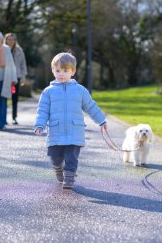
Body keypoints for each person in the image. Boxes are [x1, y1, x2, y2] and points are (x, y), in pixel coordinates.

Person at [34, 52, 108, 189]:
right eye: (58, 70)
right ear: (53, 71)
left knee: (71, 157)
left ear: (72, 71)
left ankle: (69, 179)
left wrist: (101, 120)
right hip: (56, 131)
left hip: (75, 131)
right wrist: (40, 125)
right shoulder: (48, 92)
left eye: (65, 70)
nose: (61, 74)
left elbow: (91, 106)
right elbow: (42, 110)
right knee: (54, 158)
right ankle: (58, 168)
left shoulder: (80, 90)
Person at [4, 33, 28, 125]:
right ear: (5, 40)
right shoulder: (2, 50)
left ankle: (14, 117)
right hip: (5, 77)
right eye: (8, 39)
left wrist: (23, 77)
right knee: (4, 98)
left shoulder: (19, 51)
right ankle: (3, 118)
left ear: (15, 41)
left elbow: (23, 65)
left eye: (12, 39)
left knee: (15, 98)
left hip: (16, 77)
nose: (10, 41)